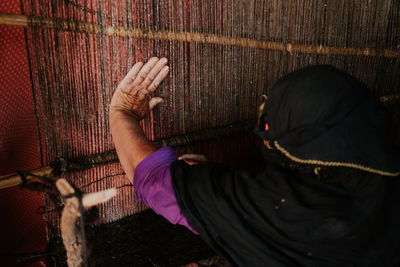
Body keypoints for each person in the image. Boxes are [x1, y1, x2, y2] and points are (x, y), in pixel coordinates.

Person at [109, 57, 400, 266]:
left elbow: (155, 181)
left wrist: (122, 112)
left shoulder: (286, 212)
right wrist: (213, 179)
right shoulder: (382, 179)